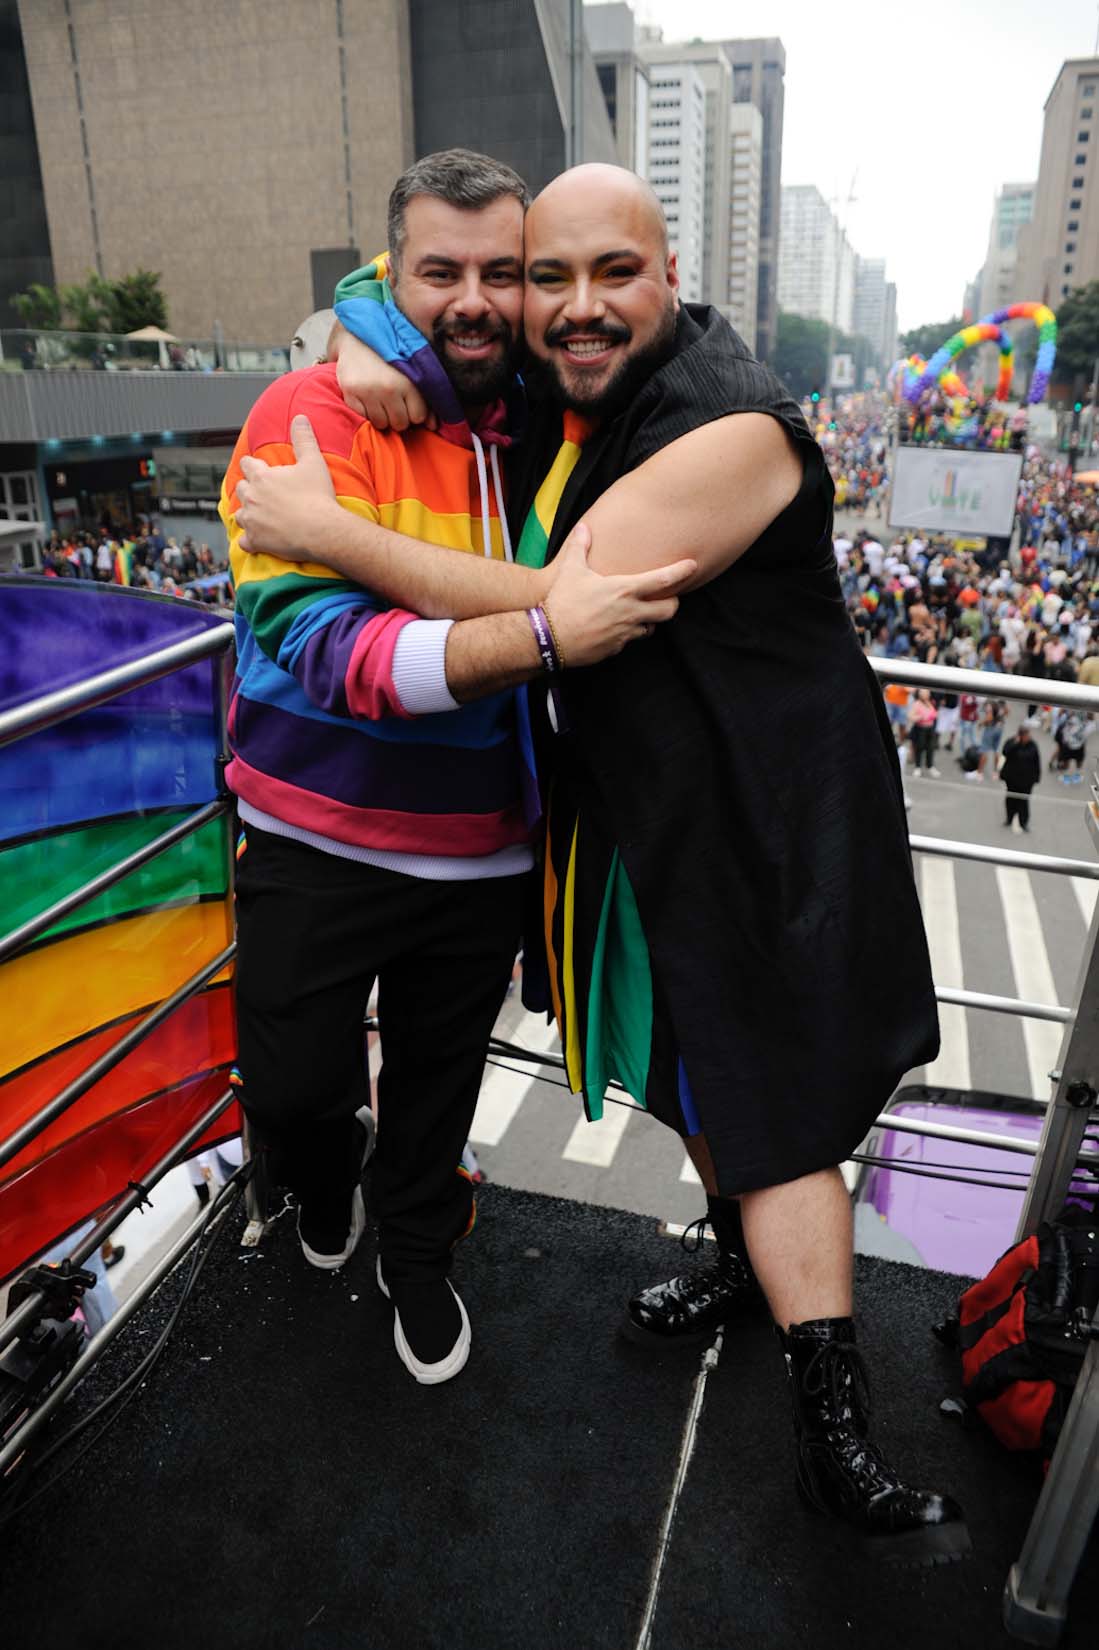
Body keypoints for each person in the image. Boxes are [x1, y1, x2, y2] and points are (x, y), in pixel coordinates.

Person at [235, 161, 966, 1564]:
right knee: (687, 1064)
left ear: (669, 273)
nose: (562, 307)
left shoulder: (728, 427)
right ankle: (742, 1273)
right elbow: (421, 300)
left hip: (757, 812)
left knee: (772, 1098)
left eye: (603, 275)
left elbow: (574, 609)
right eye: (538, 276)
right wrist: (354, 325)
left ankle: (832, 1426)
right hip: (622, 815)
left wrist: (328, 533)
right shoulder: (519, 393)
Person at [222, 151, 691, 1388]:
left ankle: (418, 1252)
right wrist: (545, 633)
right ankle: (324, 1174)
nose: (475, 300)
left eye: (502, 272)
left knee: (438, 1088)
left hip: (482, 848)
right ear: (392, 270)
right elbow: (325, 652)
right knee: (292, 1089)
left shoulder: (542, 407)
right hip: (315, 838)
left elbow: (658, 324)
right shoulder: (307, 413)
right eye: (440, 273)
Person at [999, 724, 1041, 833]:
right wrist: (1016, 743)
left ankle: (1023, 823)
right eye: (1026, 735)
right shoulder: (1012, 742)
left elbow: (1037, 762)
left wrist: (1037, 778)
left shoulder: (1032, 745)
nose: (1029, 737)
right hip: (1012, 780)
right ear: (1020, 735)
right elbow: (1005, 752)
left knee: (1023, 802)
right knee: (1010, 800)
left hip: (1026, 782)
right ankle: (1009, 818)